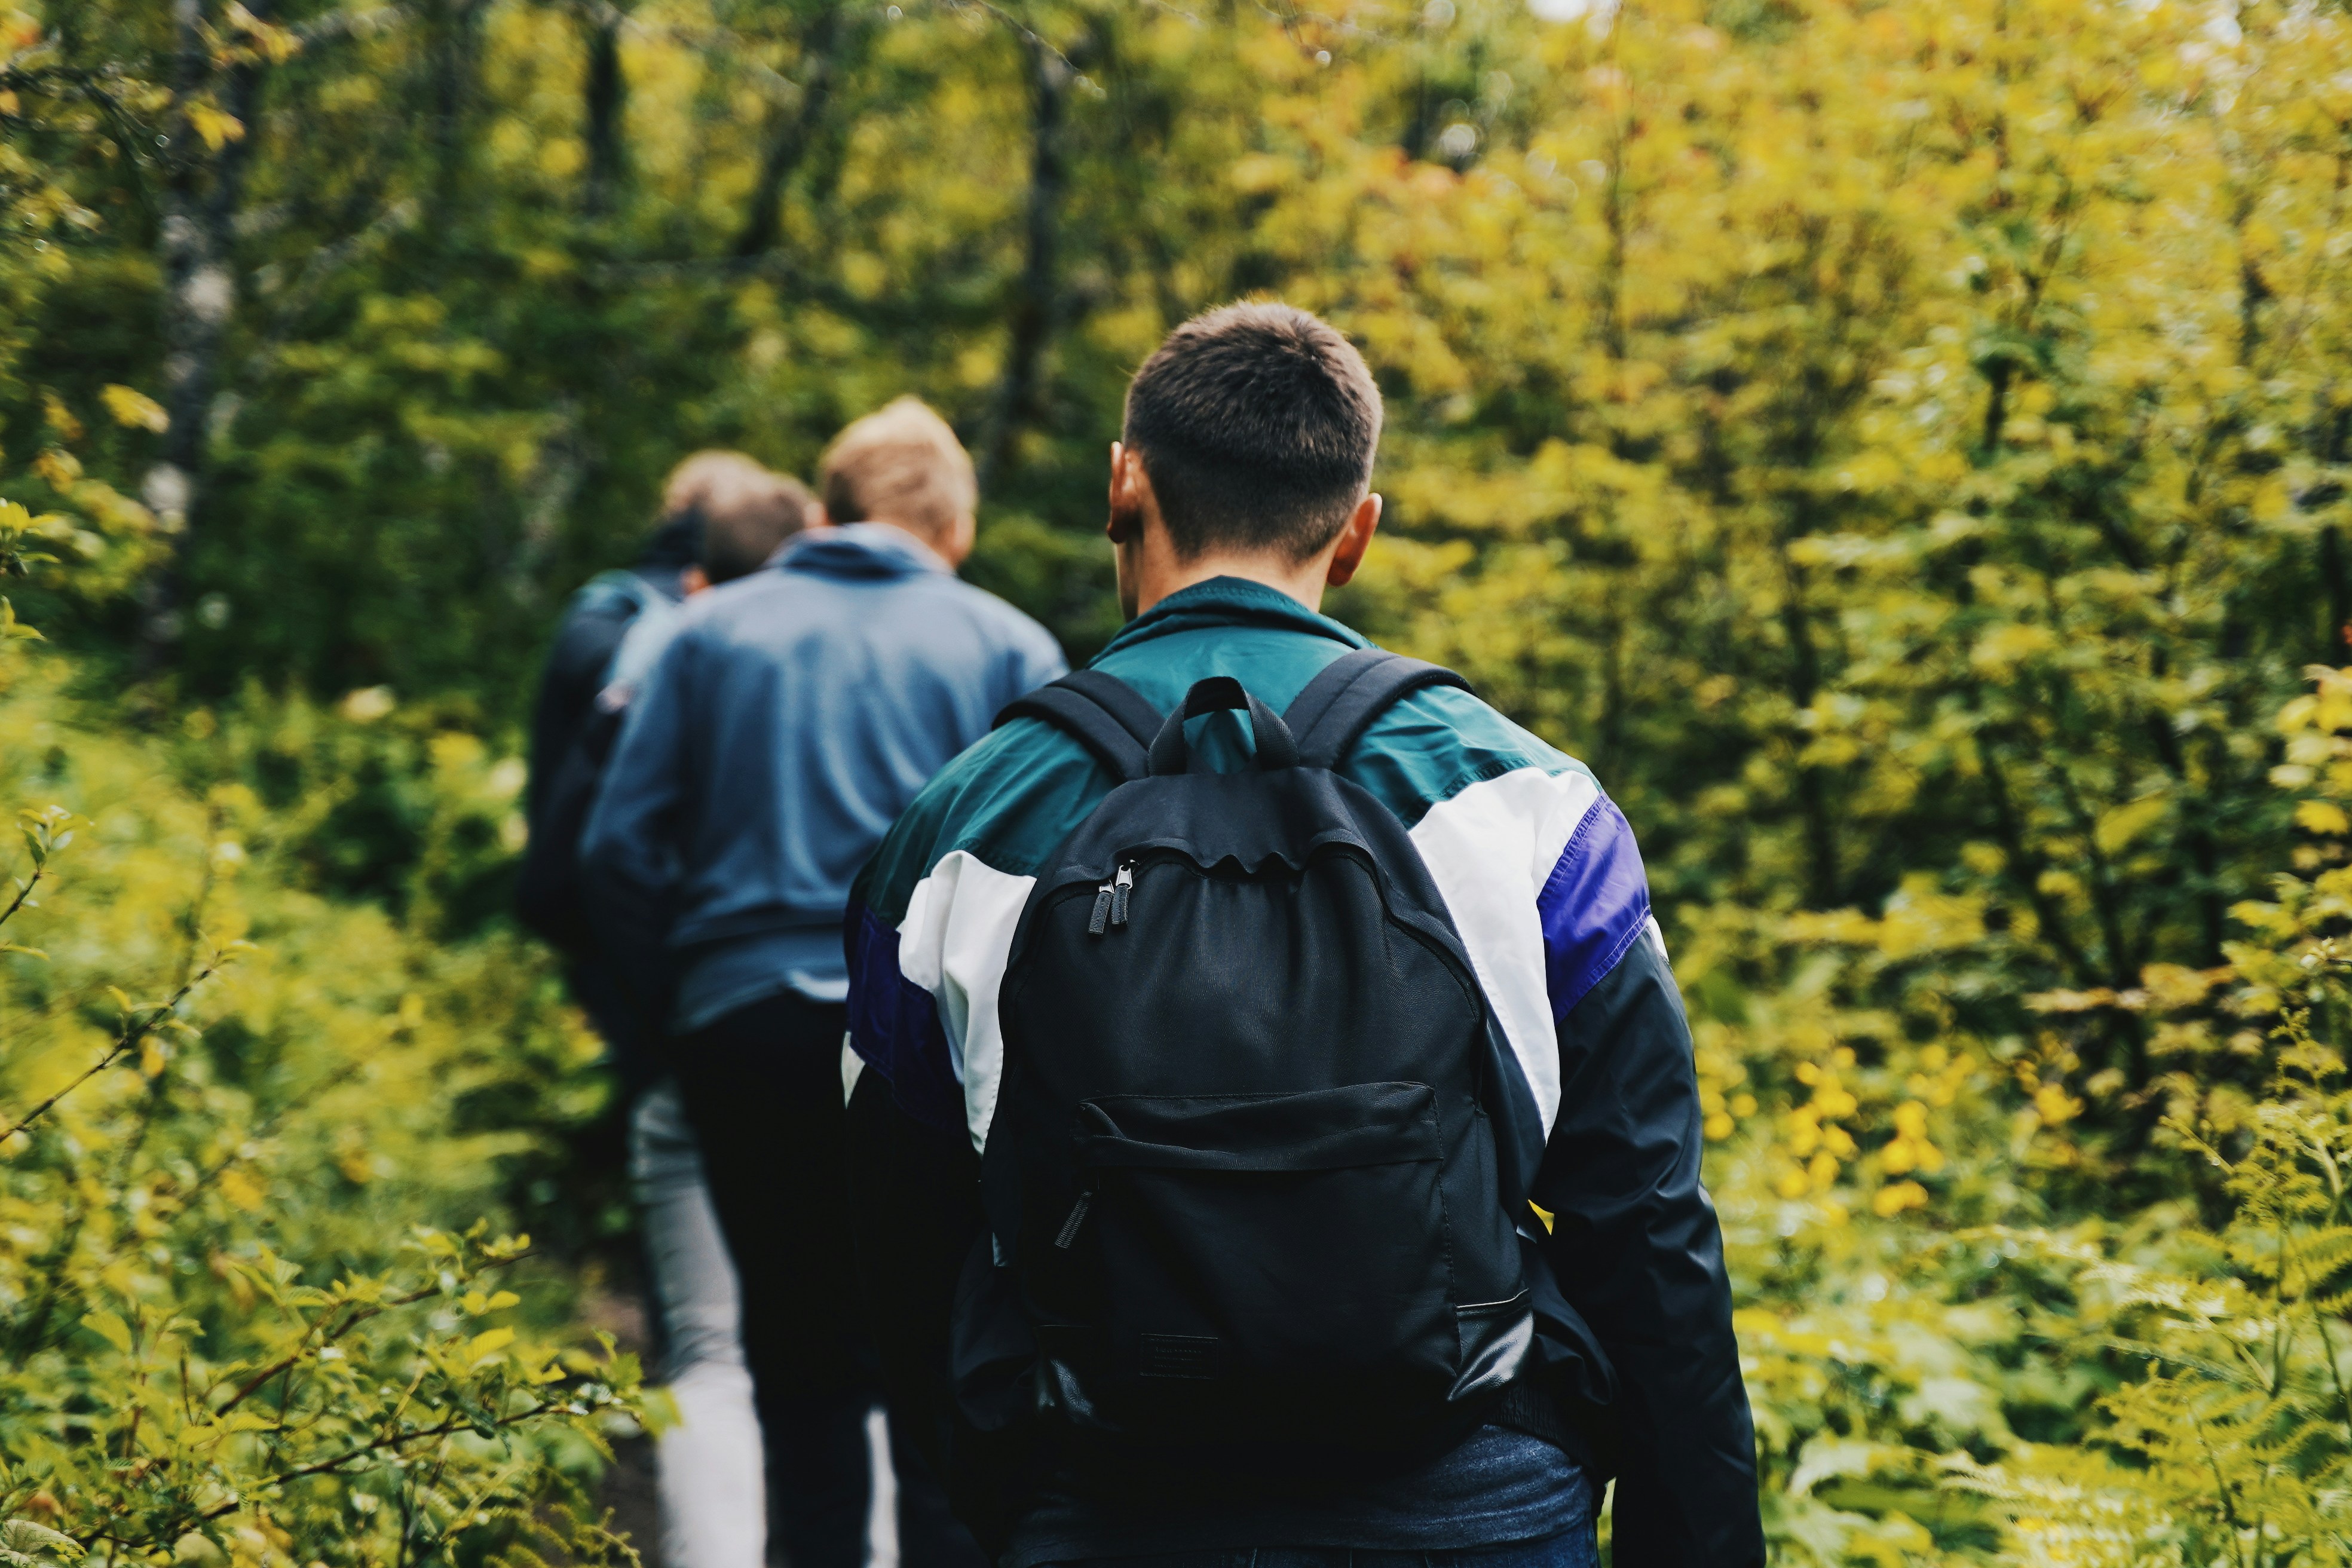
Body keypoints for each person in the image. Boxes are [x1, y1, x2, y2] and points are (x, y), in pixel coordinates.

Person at [842, 304, 1764, 1568]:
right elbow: (1649, 1231)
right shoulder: (1529, 806)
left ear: (1124, 486)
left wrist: (1007, 1497)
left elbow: (902, 1246)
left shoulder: (965, 823)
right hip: (1474, 1502)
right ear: (1359, 531)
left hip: (1108, 1503)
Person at [580, 397, 1066, 1568]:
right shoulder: (1007, 645)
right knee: (942, 1372)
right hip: (926, 1056)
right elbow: (1053, 883)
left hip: (738, 1028)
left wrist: (673, 1018)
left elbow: (616, 853)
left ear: (830, 509)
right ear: (951, 526)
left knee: (796, 1365)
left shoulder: (707, 634)